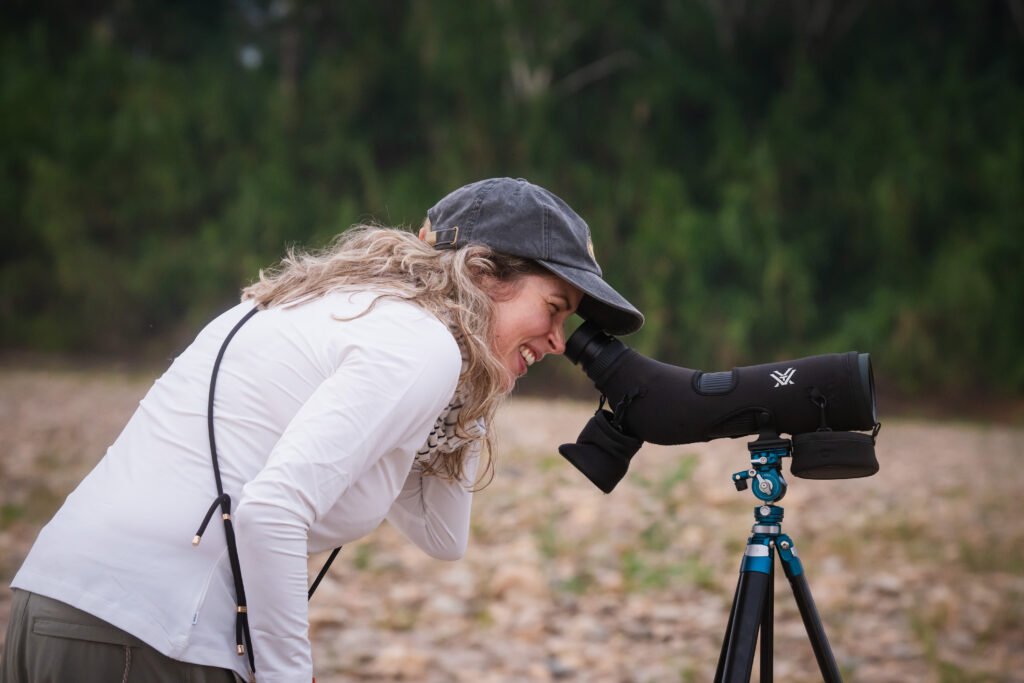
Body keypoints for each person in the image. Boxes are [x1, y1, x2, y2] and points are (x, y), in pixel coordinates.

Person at [1, 177, 643, 683]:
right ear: (482, 274)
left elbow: (444, 536)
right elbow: (271, 513)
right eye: (554, 309)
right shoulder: (417, 345)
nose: (561, 341)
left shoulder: (348, 312)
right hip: (147, 635)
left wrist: (482, 378)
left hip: (54, 608)